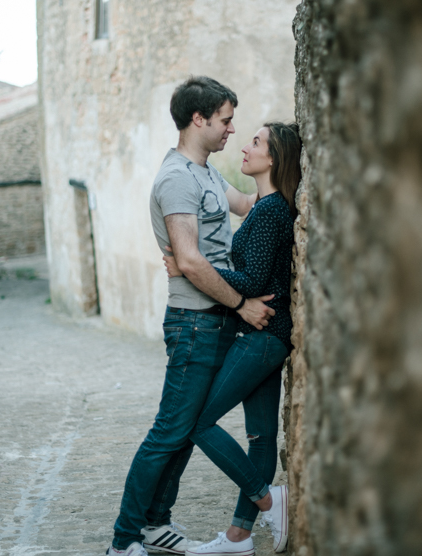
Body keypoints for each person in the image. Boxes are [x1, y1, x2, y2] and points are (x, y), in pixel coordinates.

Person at [107, 77, 276, 556]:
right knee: (168, 433)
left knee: (182, 432)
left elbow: (248, 204)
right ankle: (123, 541)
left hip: (215, 321)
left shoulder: (206, 173)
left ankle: (156, 523)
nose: (230, 130)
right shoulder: (178, 178)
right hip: (195, 324)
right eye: (225, 120)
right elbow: (191, 259)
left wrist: (280, 177)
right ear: (198, 119)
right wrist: (241, 303)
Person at [164, 122, 301, 556]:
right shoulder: (267, 206)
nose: (245, 147)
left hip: (259, 338)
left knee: (198, 422)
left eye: (256, 143)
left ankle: (266, 499)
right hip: (268, 336)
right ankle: (239, 538)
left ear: (275, 159)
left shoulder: (271, 211)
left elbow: (252, 280)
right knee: (260, 438)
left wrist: (192, 268)